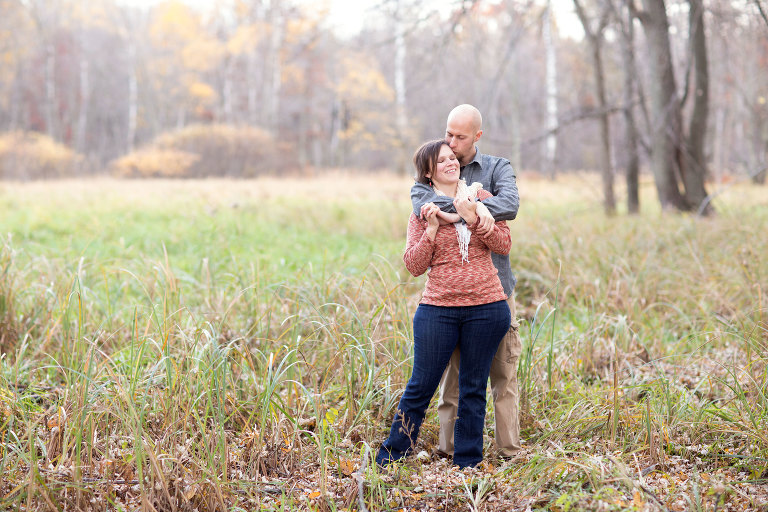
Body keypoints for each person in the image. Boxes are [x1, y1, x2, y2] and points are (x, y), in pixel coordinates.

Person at [375, 140, 511, 469]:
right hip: (438, 310)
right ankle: (391, 459)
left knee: (473, 388)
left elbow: (504, 243)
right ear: (428, 172)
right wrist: (432, 230)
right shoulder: (423, 212)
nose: (451, 163)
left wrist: (476, 218)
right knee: (421, 386)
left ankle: (467, 463)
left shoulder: (482, 199)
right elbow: (414, 265)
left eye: (453, 158)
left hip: (487, 307)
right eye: (442, 161)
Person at [410, 104, 522, 459]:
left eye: (459, 137)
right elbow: (423, 202)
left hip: (497, 289)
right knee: (454, 380)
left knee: (503, 374)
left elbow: (510, 204)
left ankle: (508, 451)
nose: (452, 143)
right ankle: (450, 448)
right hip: (448, 299)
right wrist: (468, 208)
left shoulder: (495, 167)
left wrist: (482, 207)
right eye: (448, 134)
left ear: (477, 136)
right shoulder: (434, 165)